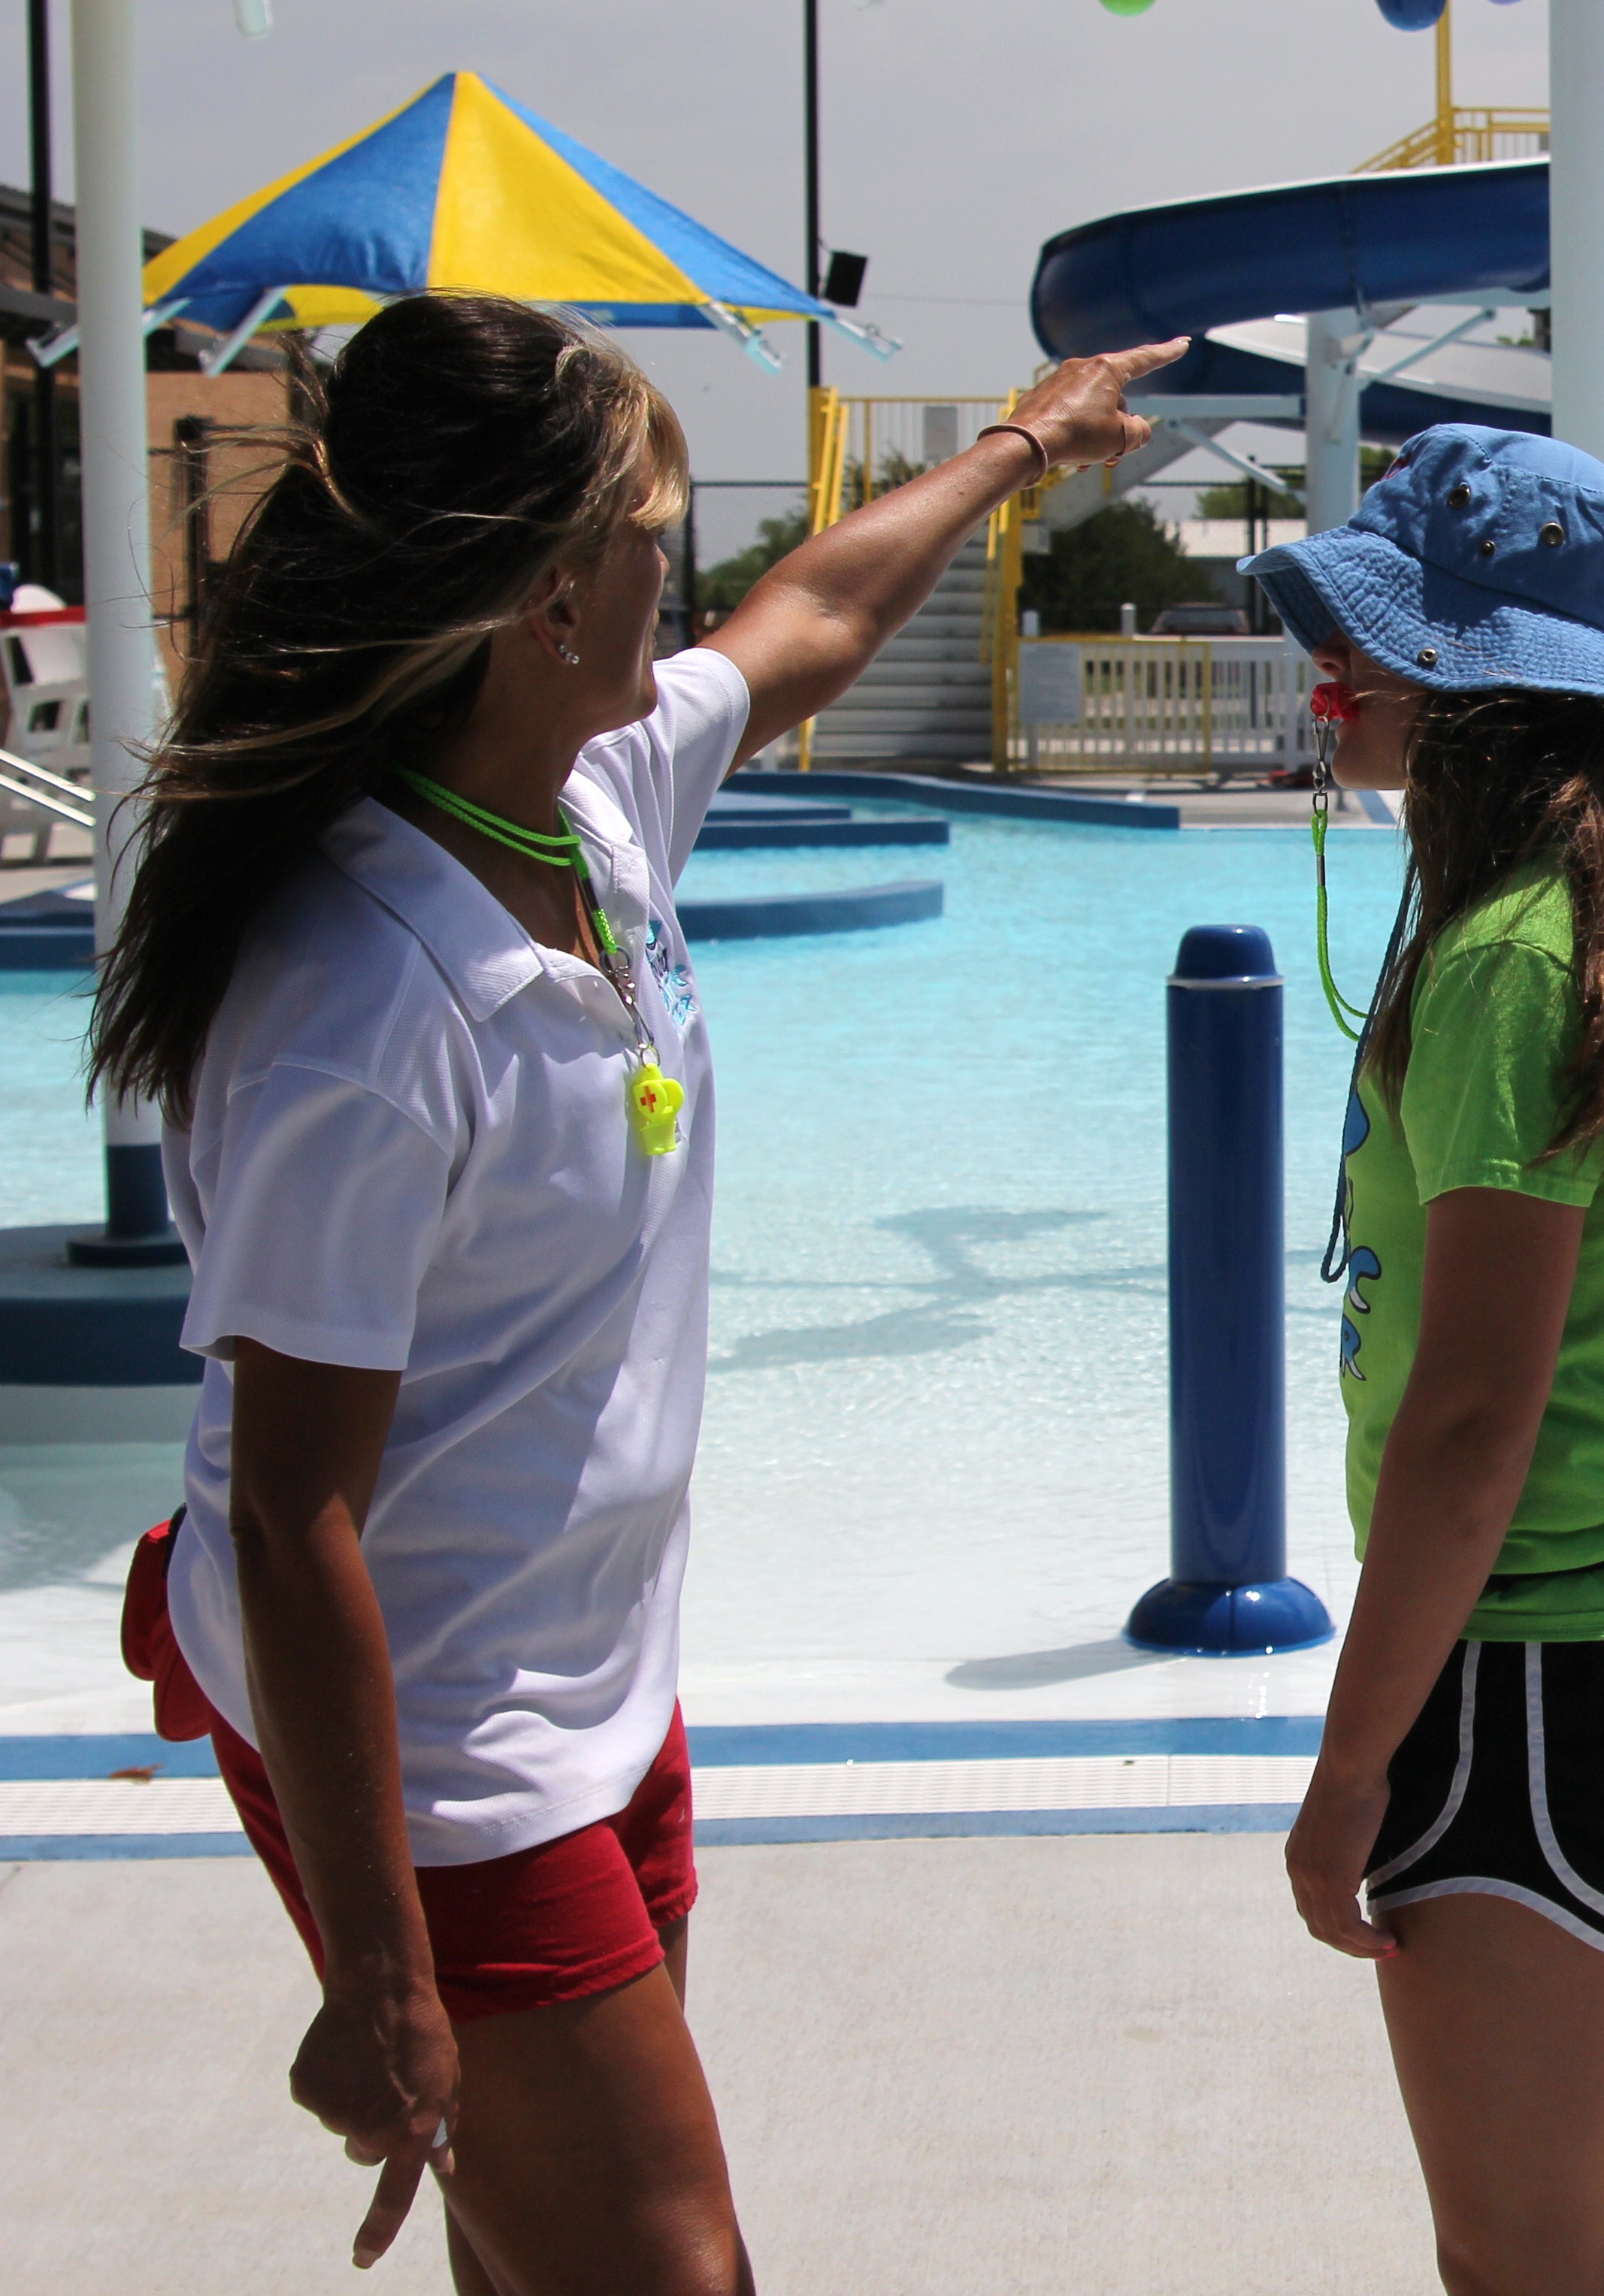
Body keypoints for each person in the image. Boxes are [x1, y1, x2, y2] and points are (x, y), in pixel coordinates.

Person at [89, 293, 1182, 2290]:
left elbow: (817, 626)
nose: (681, 575)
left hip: (582, 1679)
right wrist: (382, 1964)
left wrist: (1026, 446)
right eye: (648, 534)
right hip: (432, 1748)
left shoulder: (578, 802)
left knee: (545, 2261)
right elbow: (290, 1505)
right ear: (539, 600)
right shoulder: (364, 1003)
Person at [1261, 426, 1604, 2296]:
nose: (1338, 671)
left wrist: (1352, 1764)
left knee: (1525, 2260)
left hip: (1534, 1672)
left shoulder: (1511, 949)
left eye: (1377, 637)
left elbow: (1477, 1417)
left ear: (1483, 692)